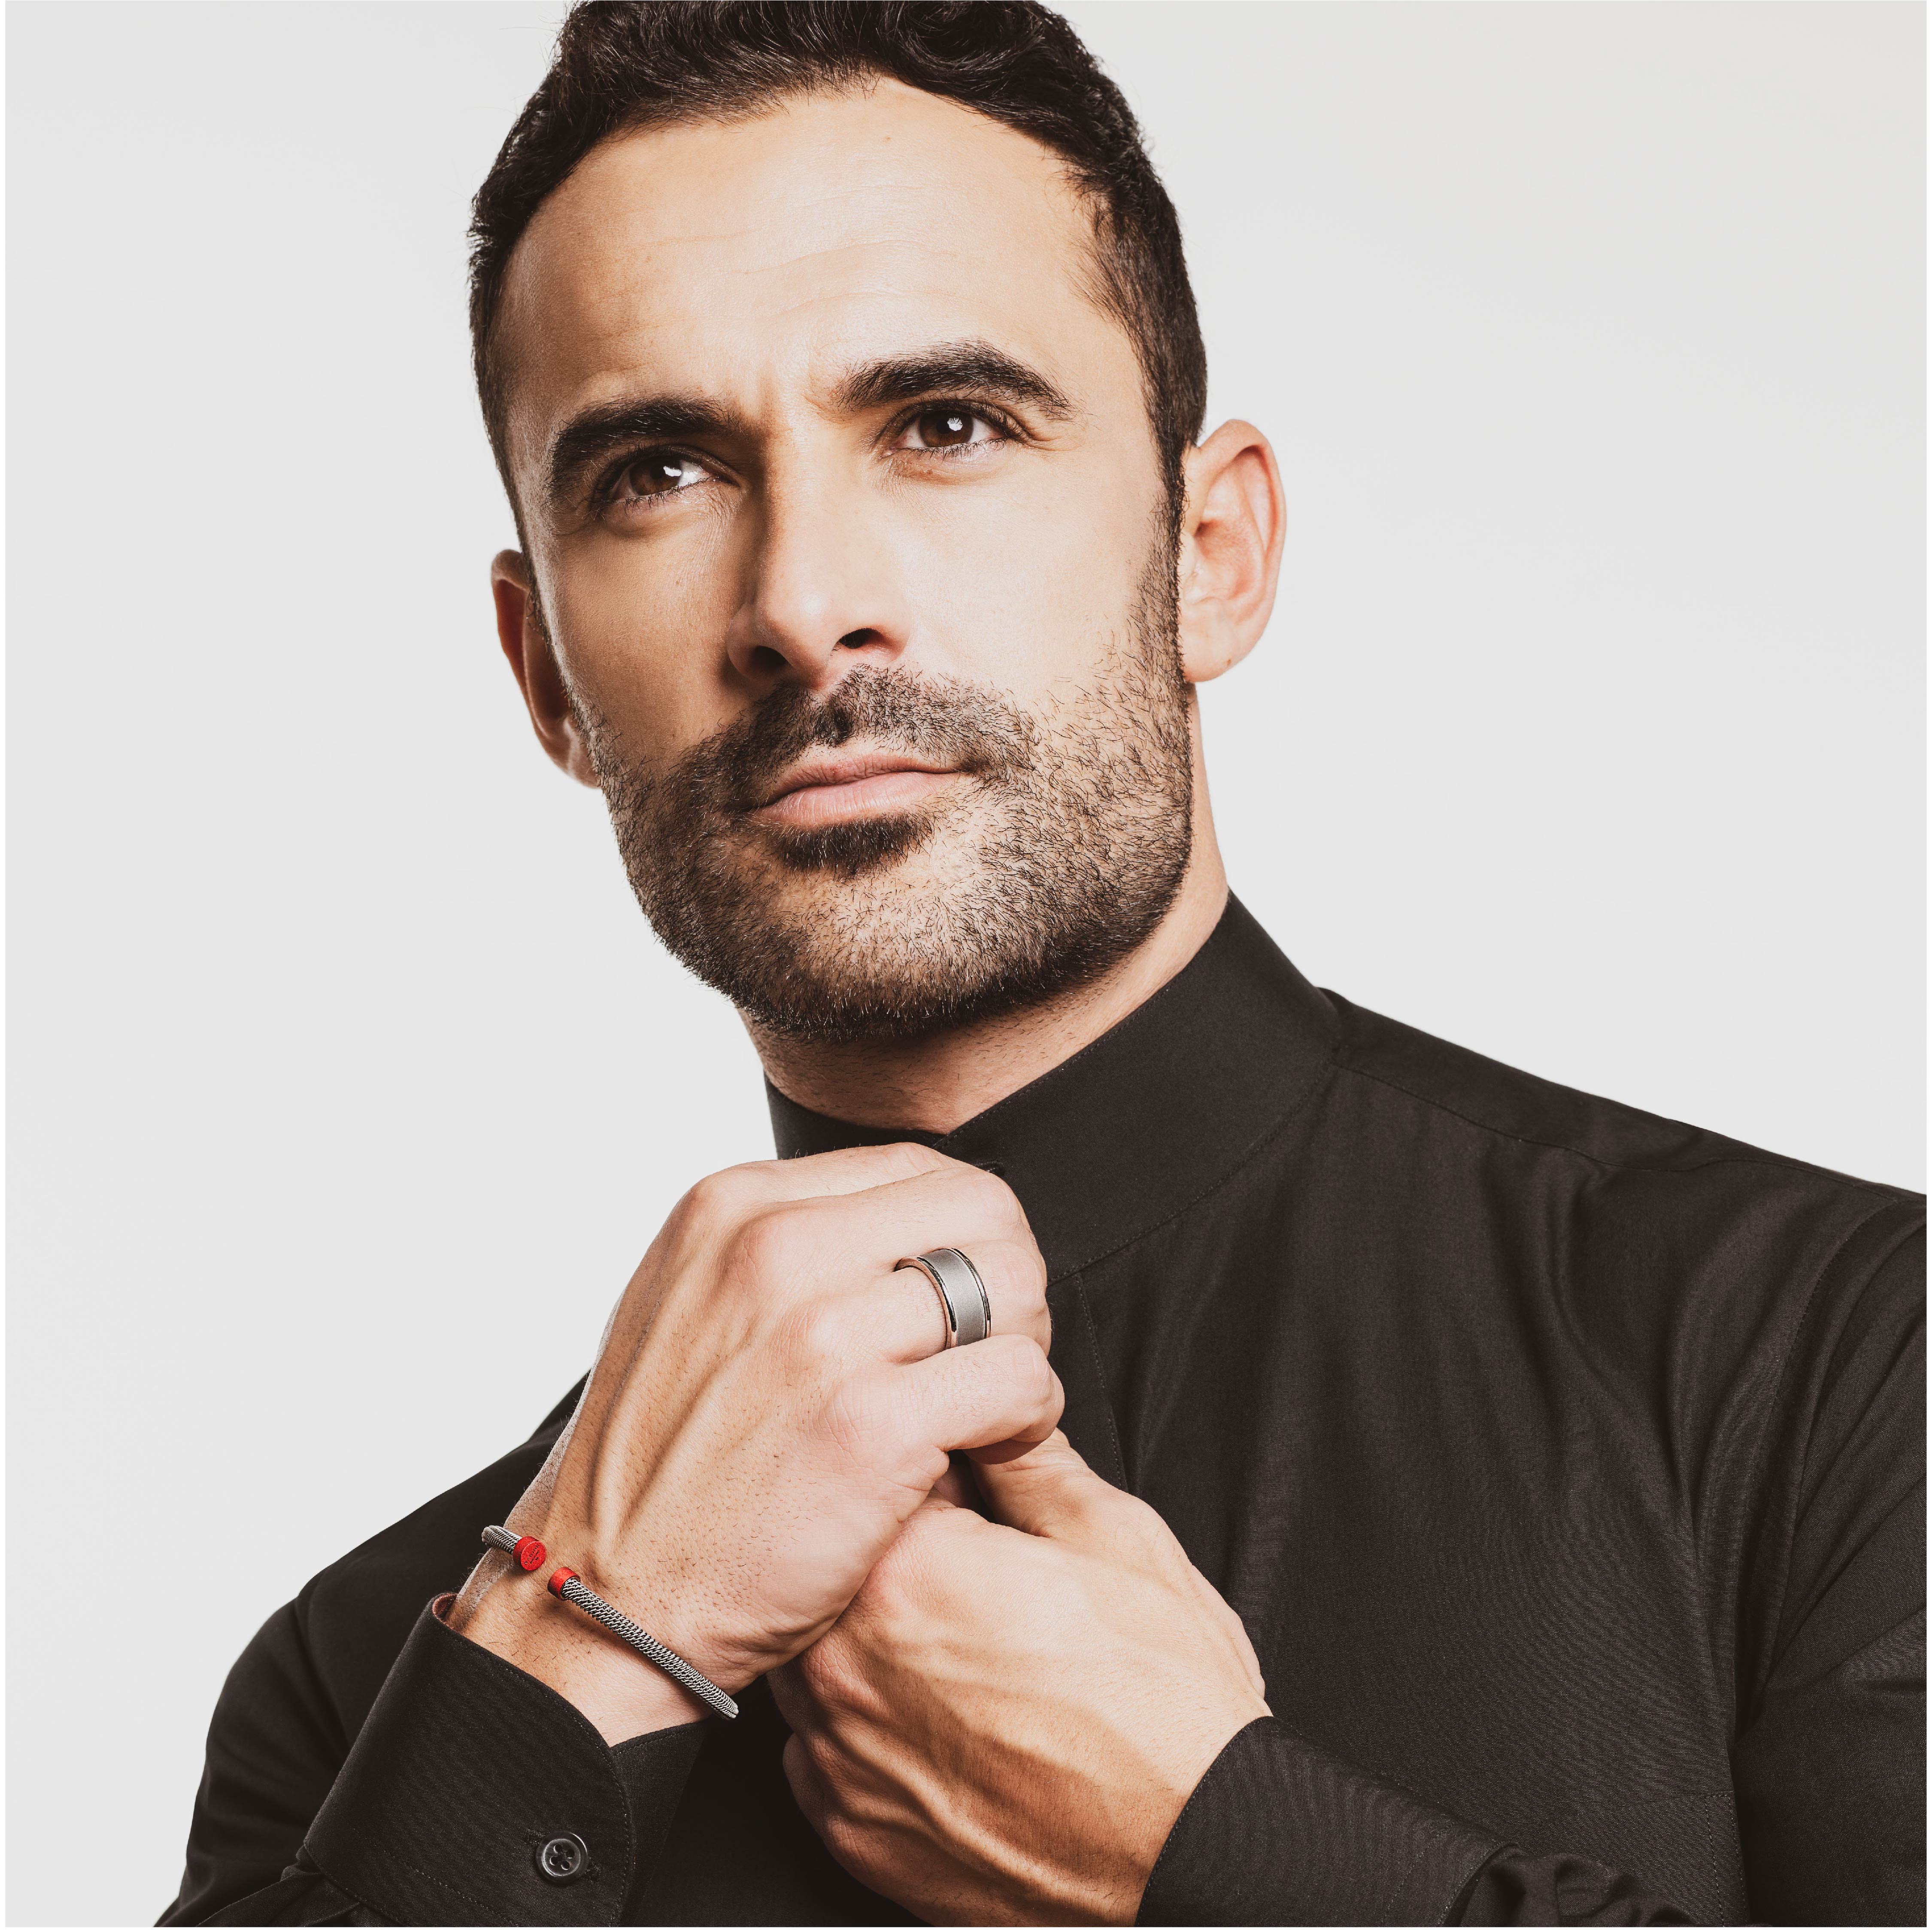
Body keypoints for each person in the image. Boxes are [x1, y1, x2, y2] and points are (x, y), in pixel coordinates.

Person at [162, 3, 1924, 1924]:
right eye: (658, 472)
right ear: (545, 679)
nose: (803, 602)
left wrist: (1217, 1854)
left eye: (946, 425)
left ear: (1211, 552)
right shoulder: (369, 1699)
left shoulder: (1840, 1367)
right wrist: (588, 1645)